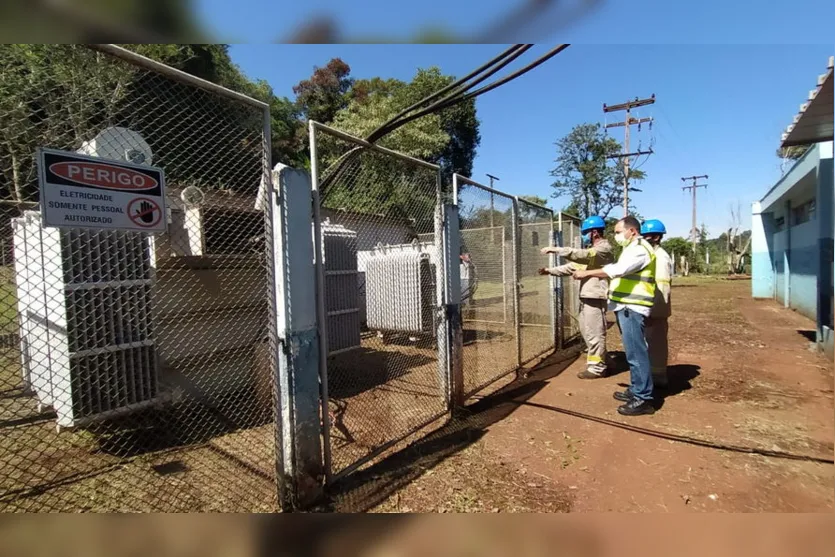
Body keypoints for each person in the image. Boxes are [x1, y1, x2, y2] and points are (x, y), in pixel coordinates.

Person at [572, 215, 657, 416]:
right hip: (626, 306)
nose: (616, 236)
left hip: (633, 307)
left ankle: (643, 398)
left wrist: (588, 273)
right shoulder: (632, 248)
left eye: (619, 232)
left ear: (632, 231)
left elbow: (618, 270)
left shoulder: (639, 249)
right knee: (632, 352)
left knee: (636, 353)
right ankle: (636, 390)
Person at [539, 216, 614, 379]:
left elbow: (581, 255)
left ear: (594, 232)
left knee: (595, 332)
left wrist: (557, 249)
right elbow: (572, 267)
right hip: (586, 297)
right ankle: (602, 359)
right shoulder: (591, 252)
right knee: (587, 331)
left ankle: (597, 368)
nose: (585, 236)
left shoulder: (603, 249)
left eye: (586, 232)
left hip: (595, 296)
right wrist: (549, 270)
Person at [641, 219, 672, 389]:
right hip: (650, 307)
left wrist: (654, 309)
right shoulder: (652, 255)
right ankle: (653, 375)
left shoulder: (660, 257)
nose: (645, 239)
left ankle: (658, 377)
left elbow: (662, 286)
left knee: (656, 343)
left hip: (656, 308)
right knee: (649, 343)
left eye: (648, 237)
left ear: (658, 237)